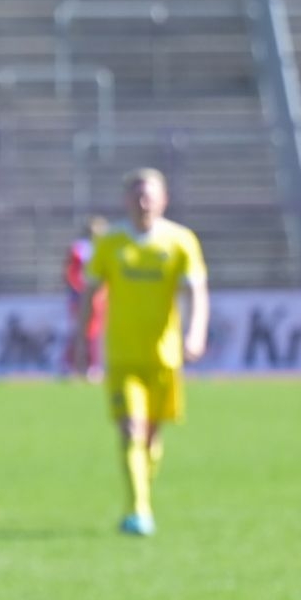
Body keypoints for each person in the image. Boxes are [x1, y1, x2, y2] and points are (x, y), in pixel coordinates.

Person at [70, 170, 208, 537]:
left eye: (149, 195)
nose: (143, 202)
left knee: (151, 437)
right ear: (126, 201)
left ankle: (140, 493)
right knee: (131, 429)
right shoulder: (111, 243)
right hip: (122, 356)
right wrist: (82, 341)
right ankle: (138, 510)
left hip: (164, 357)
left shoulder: (180, 241)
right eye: (136, 196)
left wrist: (195, 332)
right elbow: (90, 293)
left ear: (164, 200)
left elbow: (196, 291)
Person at [64, 214, 109, 379]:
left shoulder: (105, 247)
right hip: (80, 296)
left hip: (99, 297)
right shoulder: (80, 248)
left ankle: (93, 366)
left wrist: (103, 291)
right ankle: (74, 365)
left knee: (95, 333)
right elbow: (71, 272)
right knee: (80, 331)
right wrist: (80, 289)